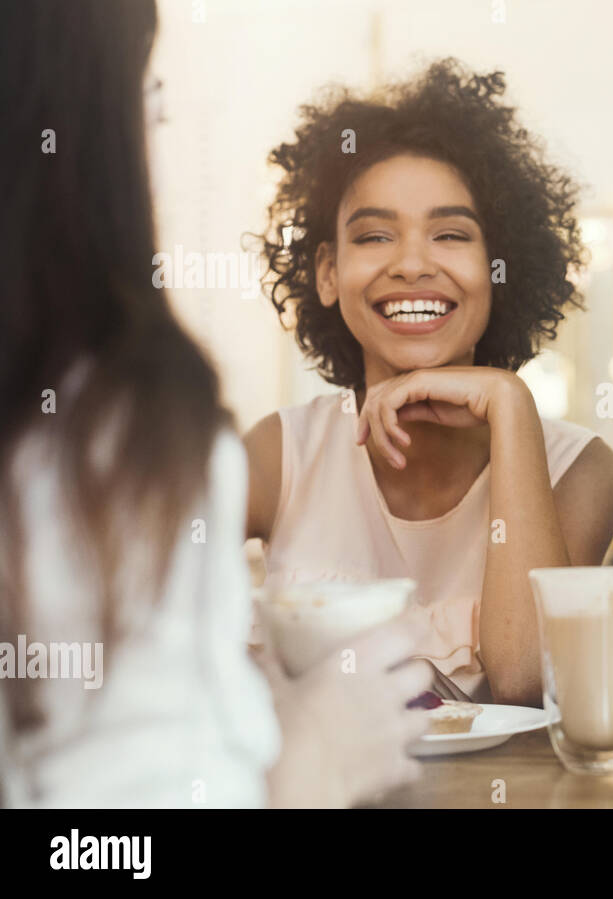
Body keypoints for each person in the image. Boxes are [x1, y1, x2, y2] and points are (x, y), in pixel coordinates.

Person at [0, 0, 429, 807]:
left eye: (450, 234)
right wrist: (308, 766)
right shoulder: (116, 428)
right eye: (149, 97)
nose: (411, 264)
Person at [247, 60, 613, 706]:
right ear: (329, 274)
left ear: (497, 269)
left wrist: (511, 403)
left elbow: (525, 679)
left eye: (450, 234)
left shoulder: (580, 470)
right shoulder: (279, 455)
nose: (414, 263)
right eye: (374, 235)